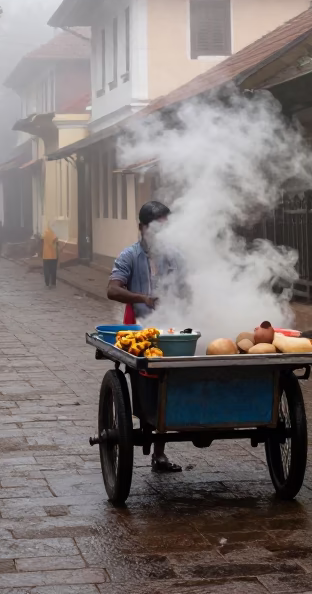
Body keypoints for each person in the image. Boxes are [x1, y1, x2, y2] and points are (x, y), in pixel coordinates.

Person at [107, 200, 180, 473]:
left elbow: (188, 284)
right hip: (138, 332)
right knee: (148, 386)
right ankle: (148, 427)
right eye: (156, 229)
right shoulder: (129, 256)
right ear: (141, 228)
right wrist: (143, 299)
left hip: (170, 328)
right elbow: (112, 289)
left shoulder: (173, 257)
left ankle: (159, 452)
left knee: (168, 384)